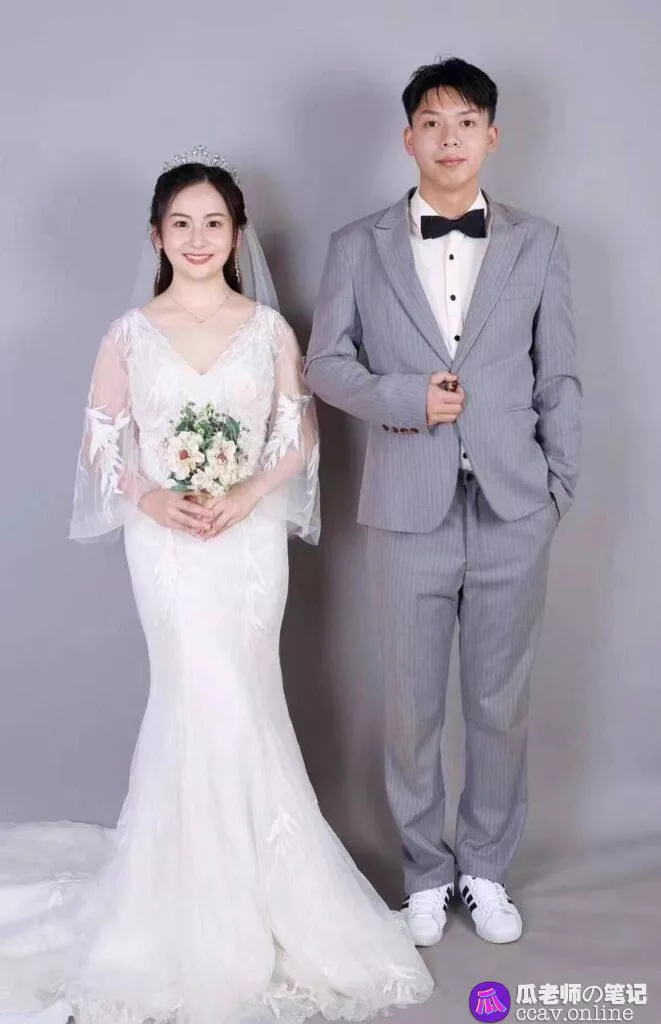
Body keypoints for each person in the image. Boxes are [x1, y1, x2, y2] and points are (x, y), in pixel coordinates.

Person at [0, 148, 432, 1024]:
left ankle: (274, 895)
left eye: (214, 223)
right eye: (181, 224)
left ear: (238, 236)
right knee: (189, 695)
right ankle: (180, 902)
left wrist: (244, 494)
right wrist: (154, 496)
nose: (197, 238)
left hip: (248, 538)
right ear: (157, 236)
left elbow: (298, 435)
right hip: (163, 544)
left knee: (246, 695)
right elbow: (103, 440)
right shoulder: (128, 333)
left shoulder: (268, 330)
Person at [305, 59, 582, 947]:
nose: (449, 137)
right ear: (408, 138)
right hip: (405, 508)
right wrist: (403, 398)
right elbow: (324, 364)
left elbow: (559, 376)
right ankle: (424, 875)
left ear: (490, 137)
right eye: (432, 122)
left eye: (465, 122)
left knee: (500, 704)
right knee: (411, 708)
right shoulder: (358, 245)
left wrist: (555, 488)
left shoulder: (539, 243)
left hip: (512, 507)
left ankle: (485, 870)